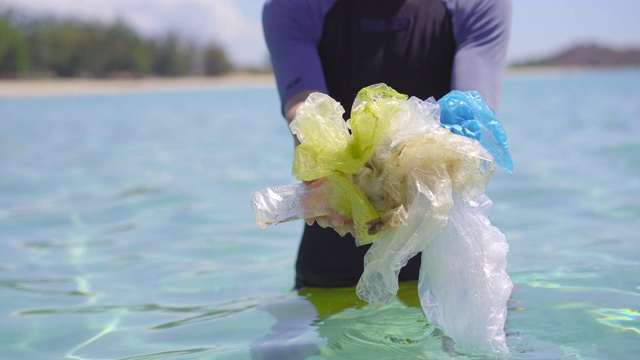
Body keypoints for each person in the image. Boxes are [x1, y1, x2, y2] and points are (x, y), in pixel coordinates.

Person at [262, 0, 512, 289]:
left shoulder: (476, 4)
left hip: (449, 251)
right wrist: (328, 167)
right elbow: (304, 106)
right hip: (338, 242)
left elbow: (473, 120)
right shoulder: (292, 6)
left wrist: (392, 177)